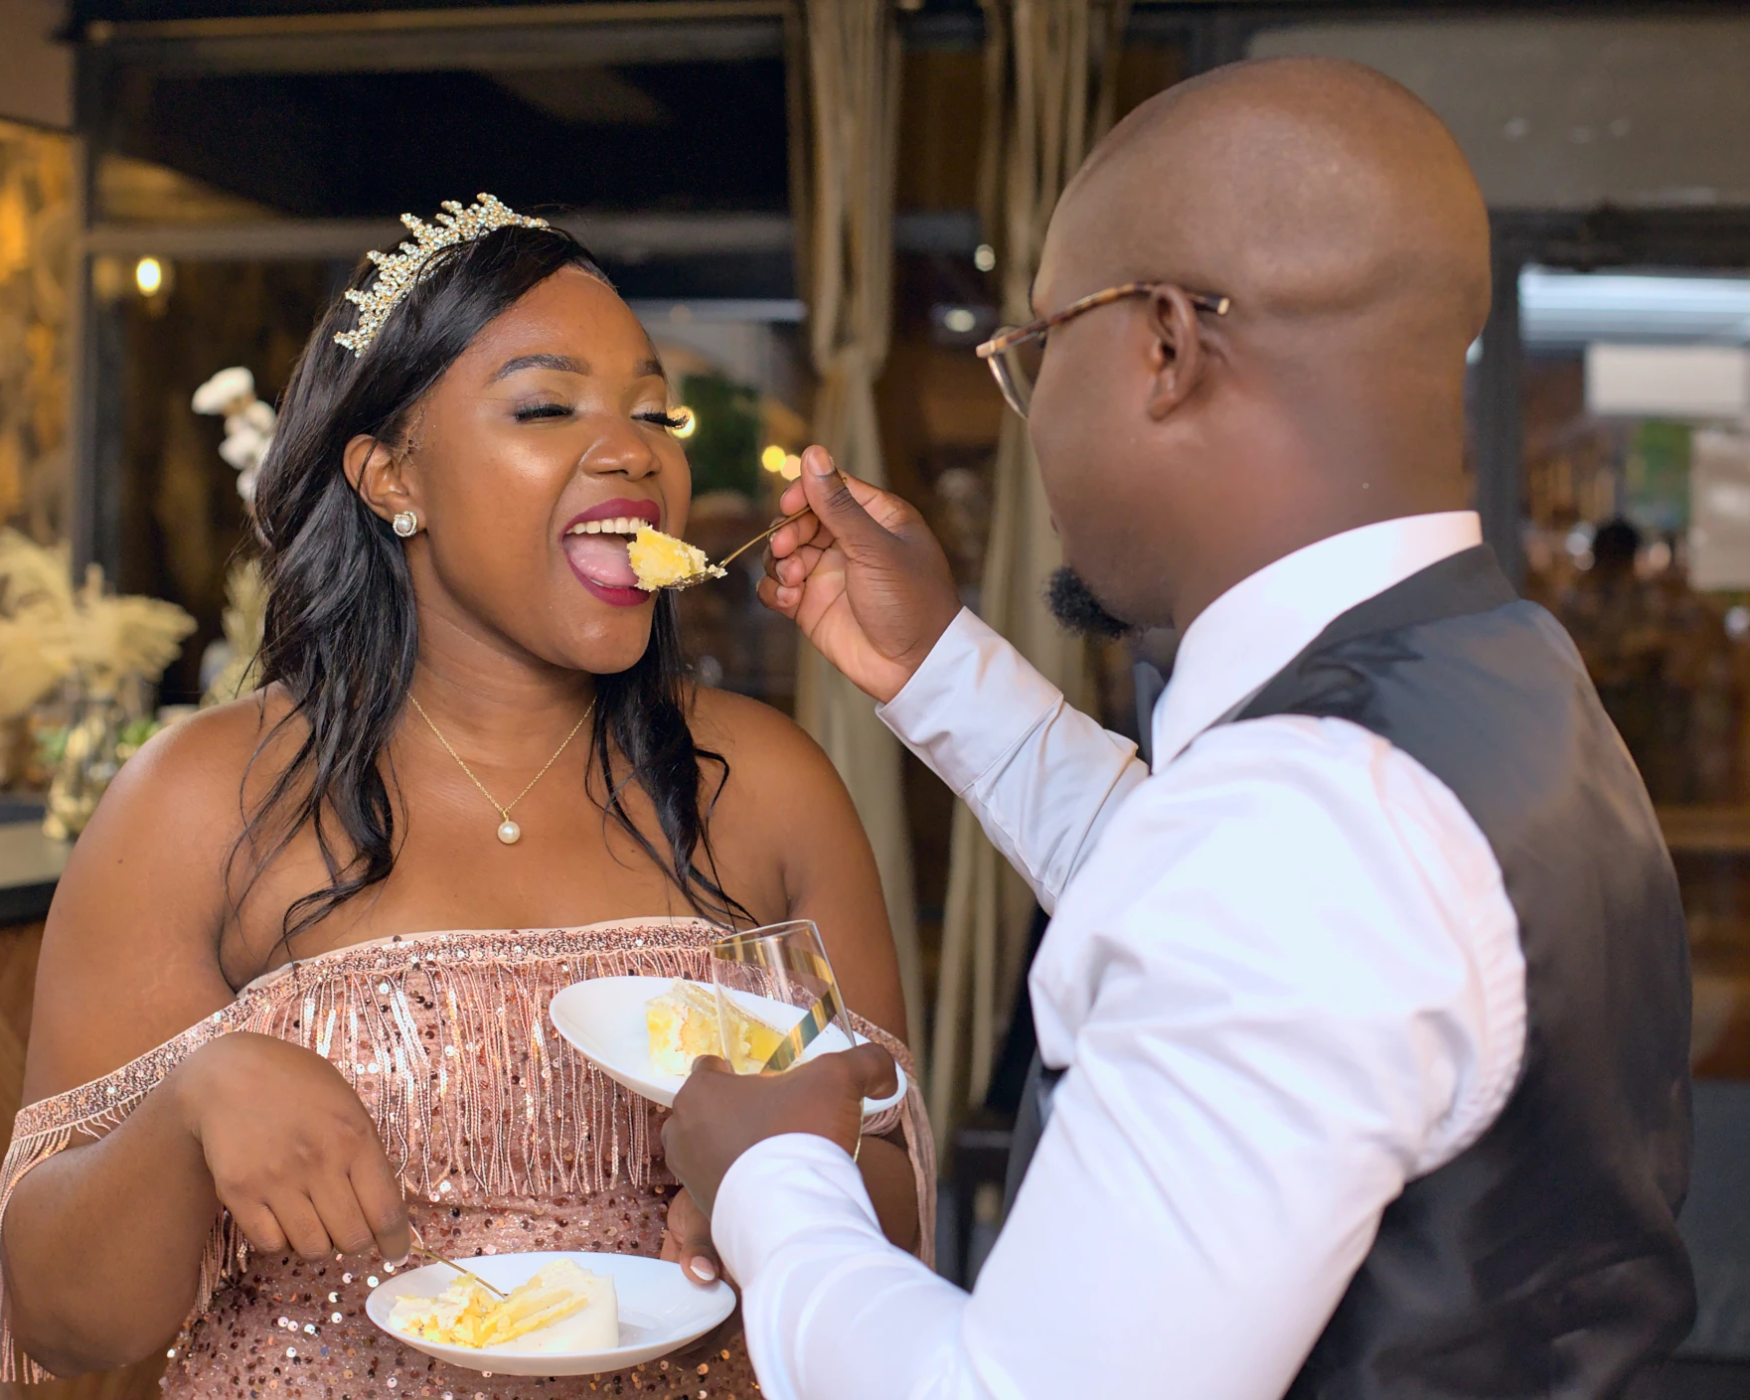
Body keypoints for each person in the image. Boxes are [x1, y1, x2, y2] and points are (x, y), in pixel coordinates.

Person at [660, 58, 1695, 1400]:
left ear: (1161, 345)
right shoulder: (1488, 669)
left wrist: (768, 1176)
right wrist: (933, 667)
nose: (1030, 423)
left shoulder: (1301, 829)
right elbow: (1183, 882)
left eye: (1034, 353)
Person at [0, 197, 932, 1396]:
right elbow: (64, 1323)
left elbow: (900, 1208)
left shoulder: (771, 786)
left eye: (655, 412)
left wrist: (781, 1174)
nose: (633, 448)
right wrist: (190, 1109)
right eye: (547, 407)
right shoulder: (195, 803)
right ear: (394, 476)